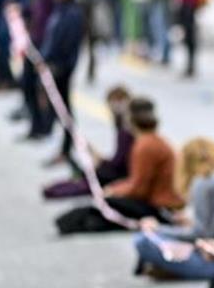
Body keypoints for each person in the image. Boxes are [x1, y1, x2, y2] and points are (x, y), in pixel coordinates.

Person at [132, 138, 214, 281]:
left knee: (143, 239)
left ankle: (175, 270)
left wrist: (157, 228)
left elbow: (200, 233)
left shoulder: (202, 181)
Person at [54, 98, 184, 234]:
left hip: (159, 206)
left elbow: (139, 188)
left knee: (100, 206)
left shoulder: (144, 145)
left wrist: (114, 190)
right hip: (158, 202)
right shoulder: (152, 141)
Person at [42, 85, 134, 199]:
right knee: (88, 176)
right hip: (121, 172)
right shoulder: (125, 128)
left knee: (91, 178)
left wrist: (100, 160)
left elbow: (119, 163)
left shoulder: (125, 131)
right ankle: (54, 188)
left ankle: (53, 190)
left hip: (121, 175)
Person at [39, 0, 86, 169]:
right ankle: (65, 148)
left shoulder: (73, 13)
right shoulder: (59, 10)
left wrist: (58, 65)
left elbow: (69, 45)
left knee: (64, 109)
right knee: (58, 109)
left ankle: (67, 149)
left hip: (62, 69)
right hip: (52, 65)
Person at [21, 0, 62, 140]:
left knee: (48, 87)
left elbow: (58, 14)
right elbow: (36, 7)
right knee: (27, 83)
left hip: (49, 42)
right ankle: (36, 124)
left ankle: (47, 125)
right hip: (34, 38)